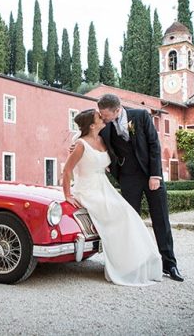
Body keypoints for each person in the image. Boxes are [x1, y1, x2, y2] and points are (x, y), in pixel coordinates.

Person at [62, 109, 162, 286]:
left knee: (128, 213)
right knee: (118, 214)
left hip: (104, 187)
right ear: (92, 125)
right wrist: (68, 194)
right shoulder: (80, 145)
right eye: (99, 117)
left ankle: (136, 261)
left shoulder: (103, 139)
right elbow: (67, 170)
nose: (103, 118)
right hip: (88, 190)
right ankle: (122, 265)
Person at [96, 93, 183, 282]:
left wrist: (155, 175)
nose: (102, 117)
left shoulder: (141, 116)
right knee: (130, 223)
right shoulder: (104, 127)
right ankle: (134, 264)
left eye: (105, 114)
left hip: (151, 175)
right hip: (128, 178)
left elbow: (154, 144)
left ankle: (170, 264)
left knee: (161, 220)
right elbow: (90, 139)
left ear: (117, 110)